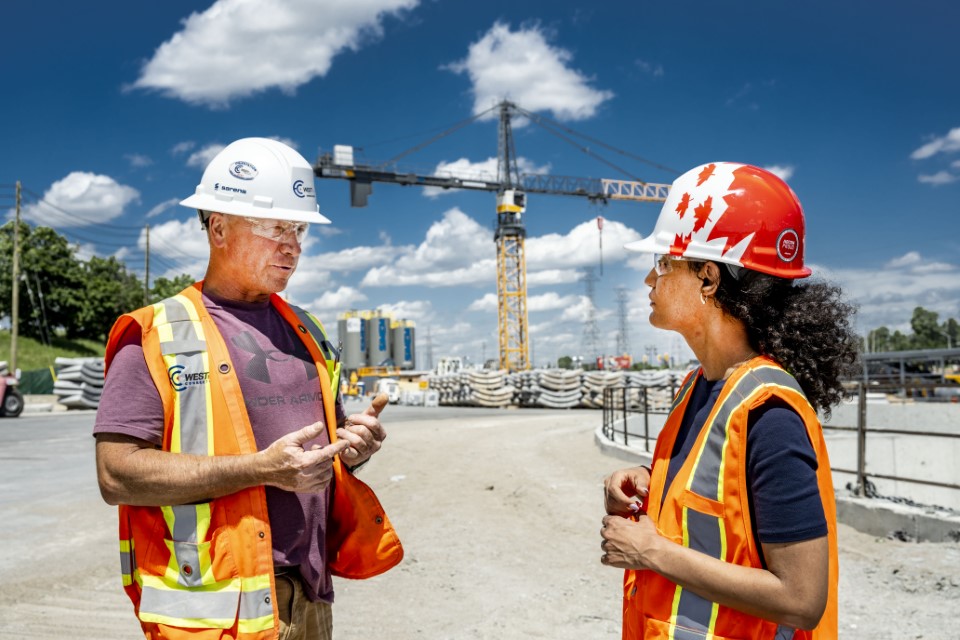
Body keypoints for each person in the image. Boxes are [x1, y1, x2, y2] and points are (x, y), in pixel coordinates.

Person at [94, 137, 403, 640]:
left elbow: (316, 458)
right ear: (218, 226)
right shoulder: (157, 332)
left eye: (298, 228)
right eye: (275, 227)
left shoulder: (309, 331)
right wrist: (260, 470)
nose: (293, 244)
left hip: (309, 594)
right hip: (215, 611)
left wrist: (352, 450)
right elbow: (116, 475)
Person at [600, 162, 858, 639]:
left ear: (707, 278)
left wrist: (650, 551)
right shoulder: (700, 385)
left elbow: (802, 599)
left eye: (662, 263)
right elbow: (723, 499)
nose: (647, 281)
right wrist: (650, 481)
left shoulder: (769, 415)